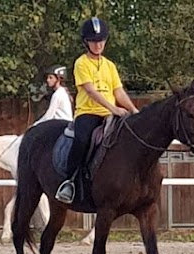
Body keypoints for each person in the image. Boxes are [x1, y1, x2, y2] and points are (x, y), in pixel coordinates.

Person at [55, 17, 140, 204]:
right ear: (86, 42)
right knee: (82, 139)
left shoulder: (110, 66)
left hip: (112, 113)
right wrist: (113, 108)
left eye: (101, 40)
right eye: (94, 41)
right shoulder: (81, 63)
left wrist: (134, 110)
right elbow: (90, 91)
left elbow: (118, 91)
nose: (98, 44)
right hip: (88, 112)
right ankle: (69, 182)